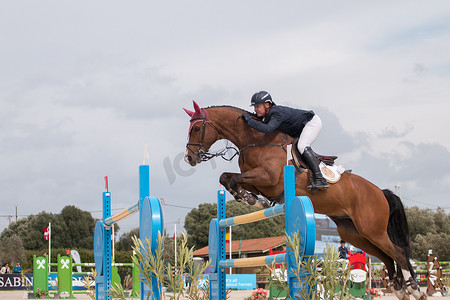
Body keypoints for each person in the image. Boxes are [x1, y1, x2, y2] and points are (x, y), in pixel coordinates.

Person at [242, 91, 329, 190]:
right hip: (297, 130)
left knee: (302, 146)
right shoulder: (268, 115)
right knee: (289, 154)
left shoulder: (276, 112)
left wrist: (249, 120)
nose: (255, 109)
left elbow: (267, 129)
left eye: (257, 106)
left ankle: (320, 178)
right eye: (254, 107)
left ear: (267, 105)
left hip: (311, 123)